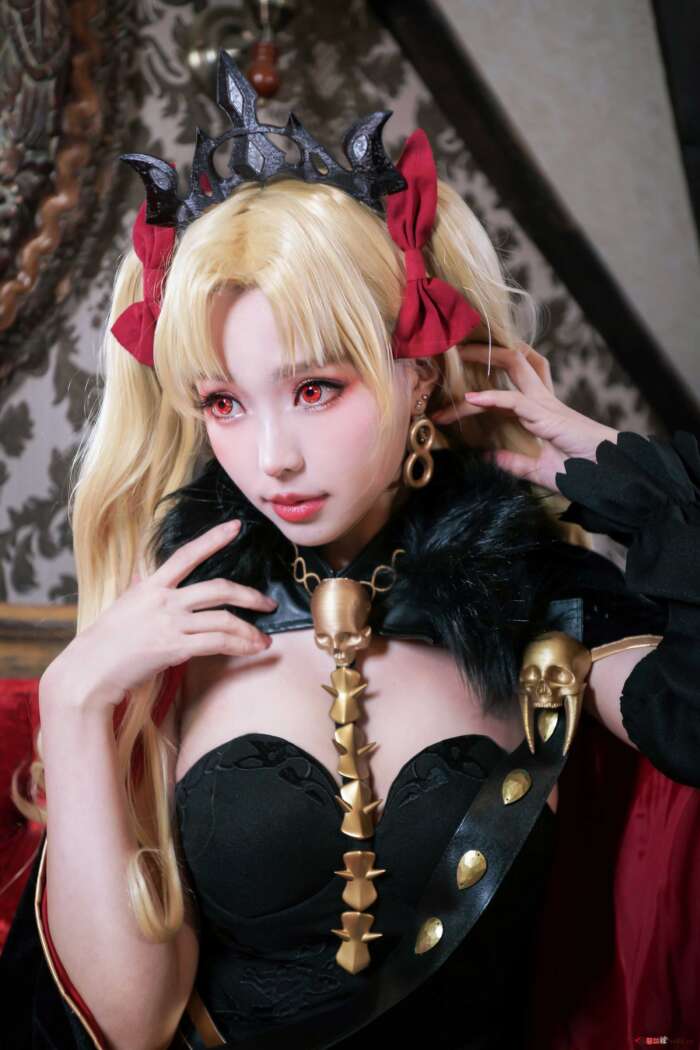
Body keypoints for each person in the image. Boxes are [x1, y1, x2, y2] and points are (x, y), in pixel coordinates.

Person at [1, 50, 698, 1050]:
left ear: (420, 376)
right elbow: (127, 1025)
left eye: (316, 389)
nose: (272, 458)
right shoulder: (171, 635)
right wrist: (73, 707)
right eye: (224, 403)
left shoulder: (543, 604)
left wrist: (636, 485)